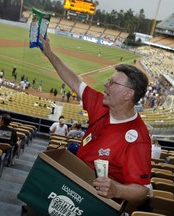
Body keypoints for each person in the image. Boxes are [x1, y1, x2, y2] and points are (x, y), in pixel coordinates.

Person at [41, 36, 151, 203]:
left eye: (113, 83)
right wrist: (49, 53)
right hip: (75, 182)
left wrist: (117, 190)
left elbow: (142, 191)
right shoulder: (102, 104)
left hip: (96, 201)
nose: (106, 85)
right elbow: (74, 81)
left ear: (128, 94)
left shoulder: (138, 138)